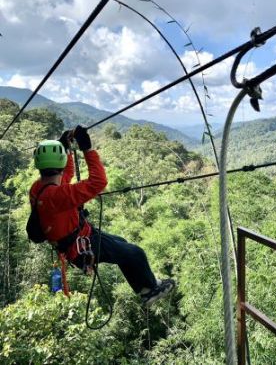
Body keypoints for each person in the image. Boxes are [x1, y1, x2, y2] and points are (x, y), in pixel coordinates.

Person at [29, 125, 175, 306]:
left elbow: (65, 174)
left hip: (78, 239)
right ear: (58, 164)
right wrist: (87, 149)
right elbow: (98, 182)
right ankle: (151, 290)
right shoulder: (58, 195)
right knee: (136, 253)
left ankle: (144, 289)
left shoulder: (39, 188)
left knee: (122, 244)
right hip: (80, 245)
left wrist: (65, 149)